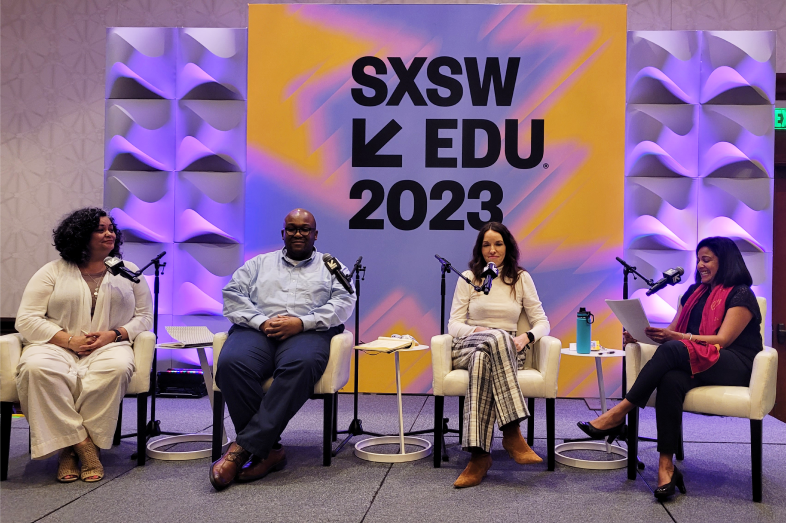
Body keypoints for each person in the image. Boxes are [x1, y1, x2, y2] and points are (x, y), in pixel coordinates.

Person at [578, 237, 762, 500]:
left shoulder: (741, 293)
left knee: (676, 349)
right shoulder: (692, 293)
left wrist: (678, 338)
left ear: (726, 261)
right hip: (698, 358)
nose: (700, 265)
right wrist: (641, 336)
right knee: (671, 379)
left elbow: (723, 341)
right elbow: (673, 335)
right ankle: (666, 467)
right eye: (698, 259)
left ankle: (618, 413)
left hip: (734, 362)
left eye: (706, 259)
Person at [210, 208, 356, 491]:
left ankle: (243, 449)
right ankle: (270, 449)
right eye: (292, 229)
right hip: (259, 330)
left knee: (301, 365)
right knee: (230, 364)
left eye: (304, 229)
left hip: (308, 332)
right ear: (283, 233)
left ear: (315, 234)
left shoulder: (331, 266)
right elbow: (232, 296)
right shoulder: (258, 264)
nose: (298, 234)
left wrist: (302, 322)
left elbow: (344, 303)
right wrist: (262, 322)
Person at [15, 208, 153, 482]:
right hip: (56, 344)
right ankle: (81, 446)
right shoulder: (52, 271)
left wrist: (113, 334)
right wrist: (69, 340)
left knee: (115, 369)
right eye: (100, 229)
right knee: (36, 368)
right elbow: (27, 318)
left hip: (109, 346)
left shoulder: (129, 272)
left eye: (111, 228)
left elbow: (145, 317)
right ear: (80, 236)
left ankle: (69, 445)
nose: (109, 233)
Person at [447, 222, 551, 488]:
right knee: (493, 339)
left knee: (486, 356)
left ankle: (479, 457)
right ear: (479, 249)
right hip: (467, 345)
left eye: (498, 244)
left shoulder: (521, 278)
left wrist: (524, 337)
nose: (492, 250)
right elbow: (454, 325)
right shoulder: (470, 277)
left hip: (505, 351)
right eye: (486, 244)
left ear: (508, 246)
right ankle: (512, 430)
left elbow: (542, 323)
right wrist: (480, 330)